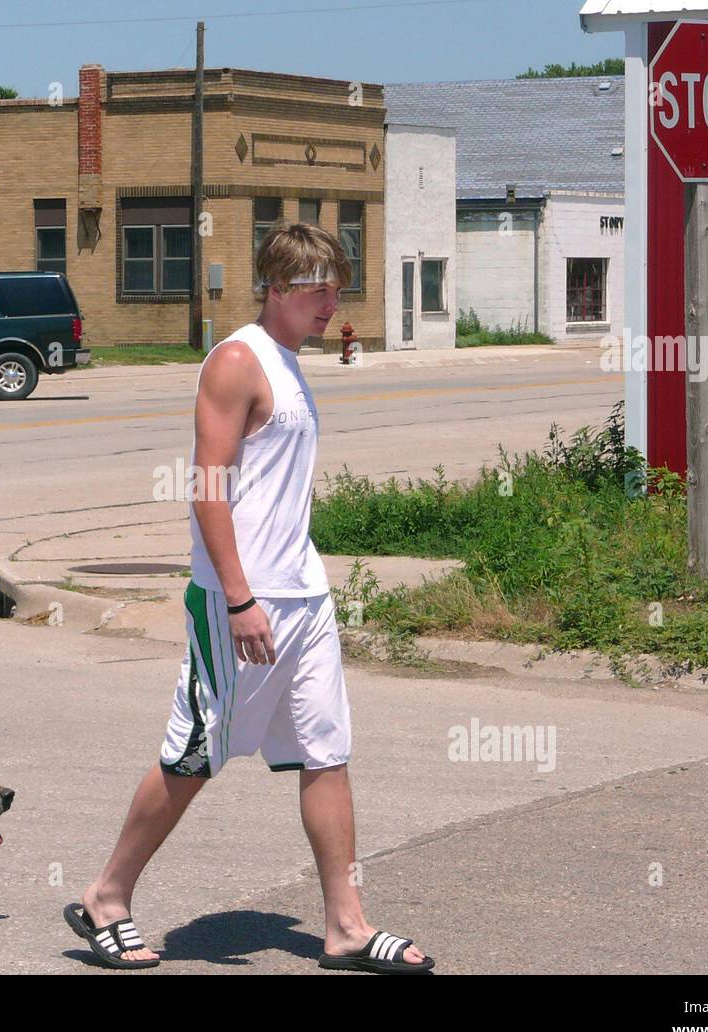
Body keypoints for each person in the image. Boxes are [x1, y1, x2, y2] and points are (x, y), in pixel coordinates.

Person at [63, 221, 433, 974]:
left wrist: (294, 589)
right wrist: (237, 598)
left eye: (338, 287)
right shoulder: (238, 361)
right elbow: (209, 485)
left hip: (303, 595)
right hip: (242, 602)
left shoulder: (293, 363)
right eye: (318, 289)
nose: (333, 302)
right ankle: (107, 895)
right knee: (194, 753)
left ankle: (346, 925)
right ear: (276, 287)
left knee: (327, 753)